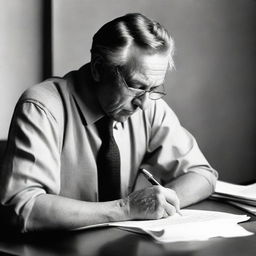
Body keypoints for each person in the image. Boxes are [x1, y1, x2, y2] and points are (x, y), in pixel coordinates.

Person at [0, 13, 217, 233]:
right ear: (97, 68)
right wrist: (126, 208)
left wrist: (162, 202)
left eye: (153, 89)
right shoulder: (42, 107)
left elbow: (202, 174)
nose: (143, 103)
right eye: (136, 86)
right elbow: (22, 208)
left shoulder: (149, 105)